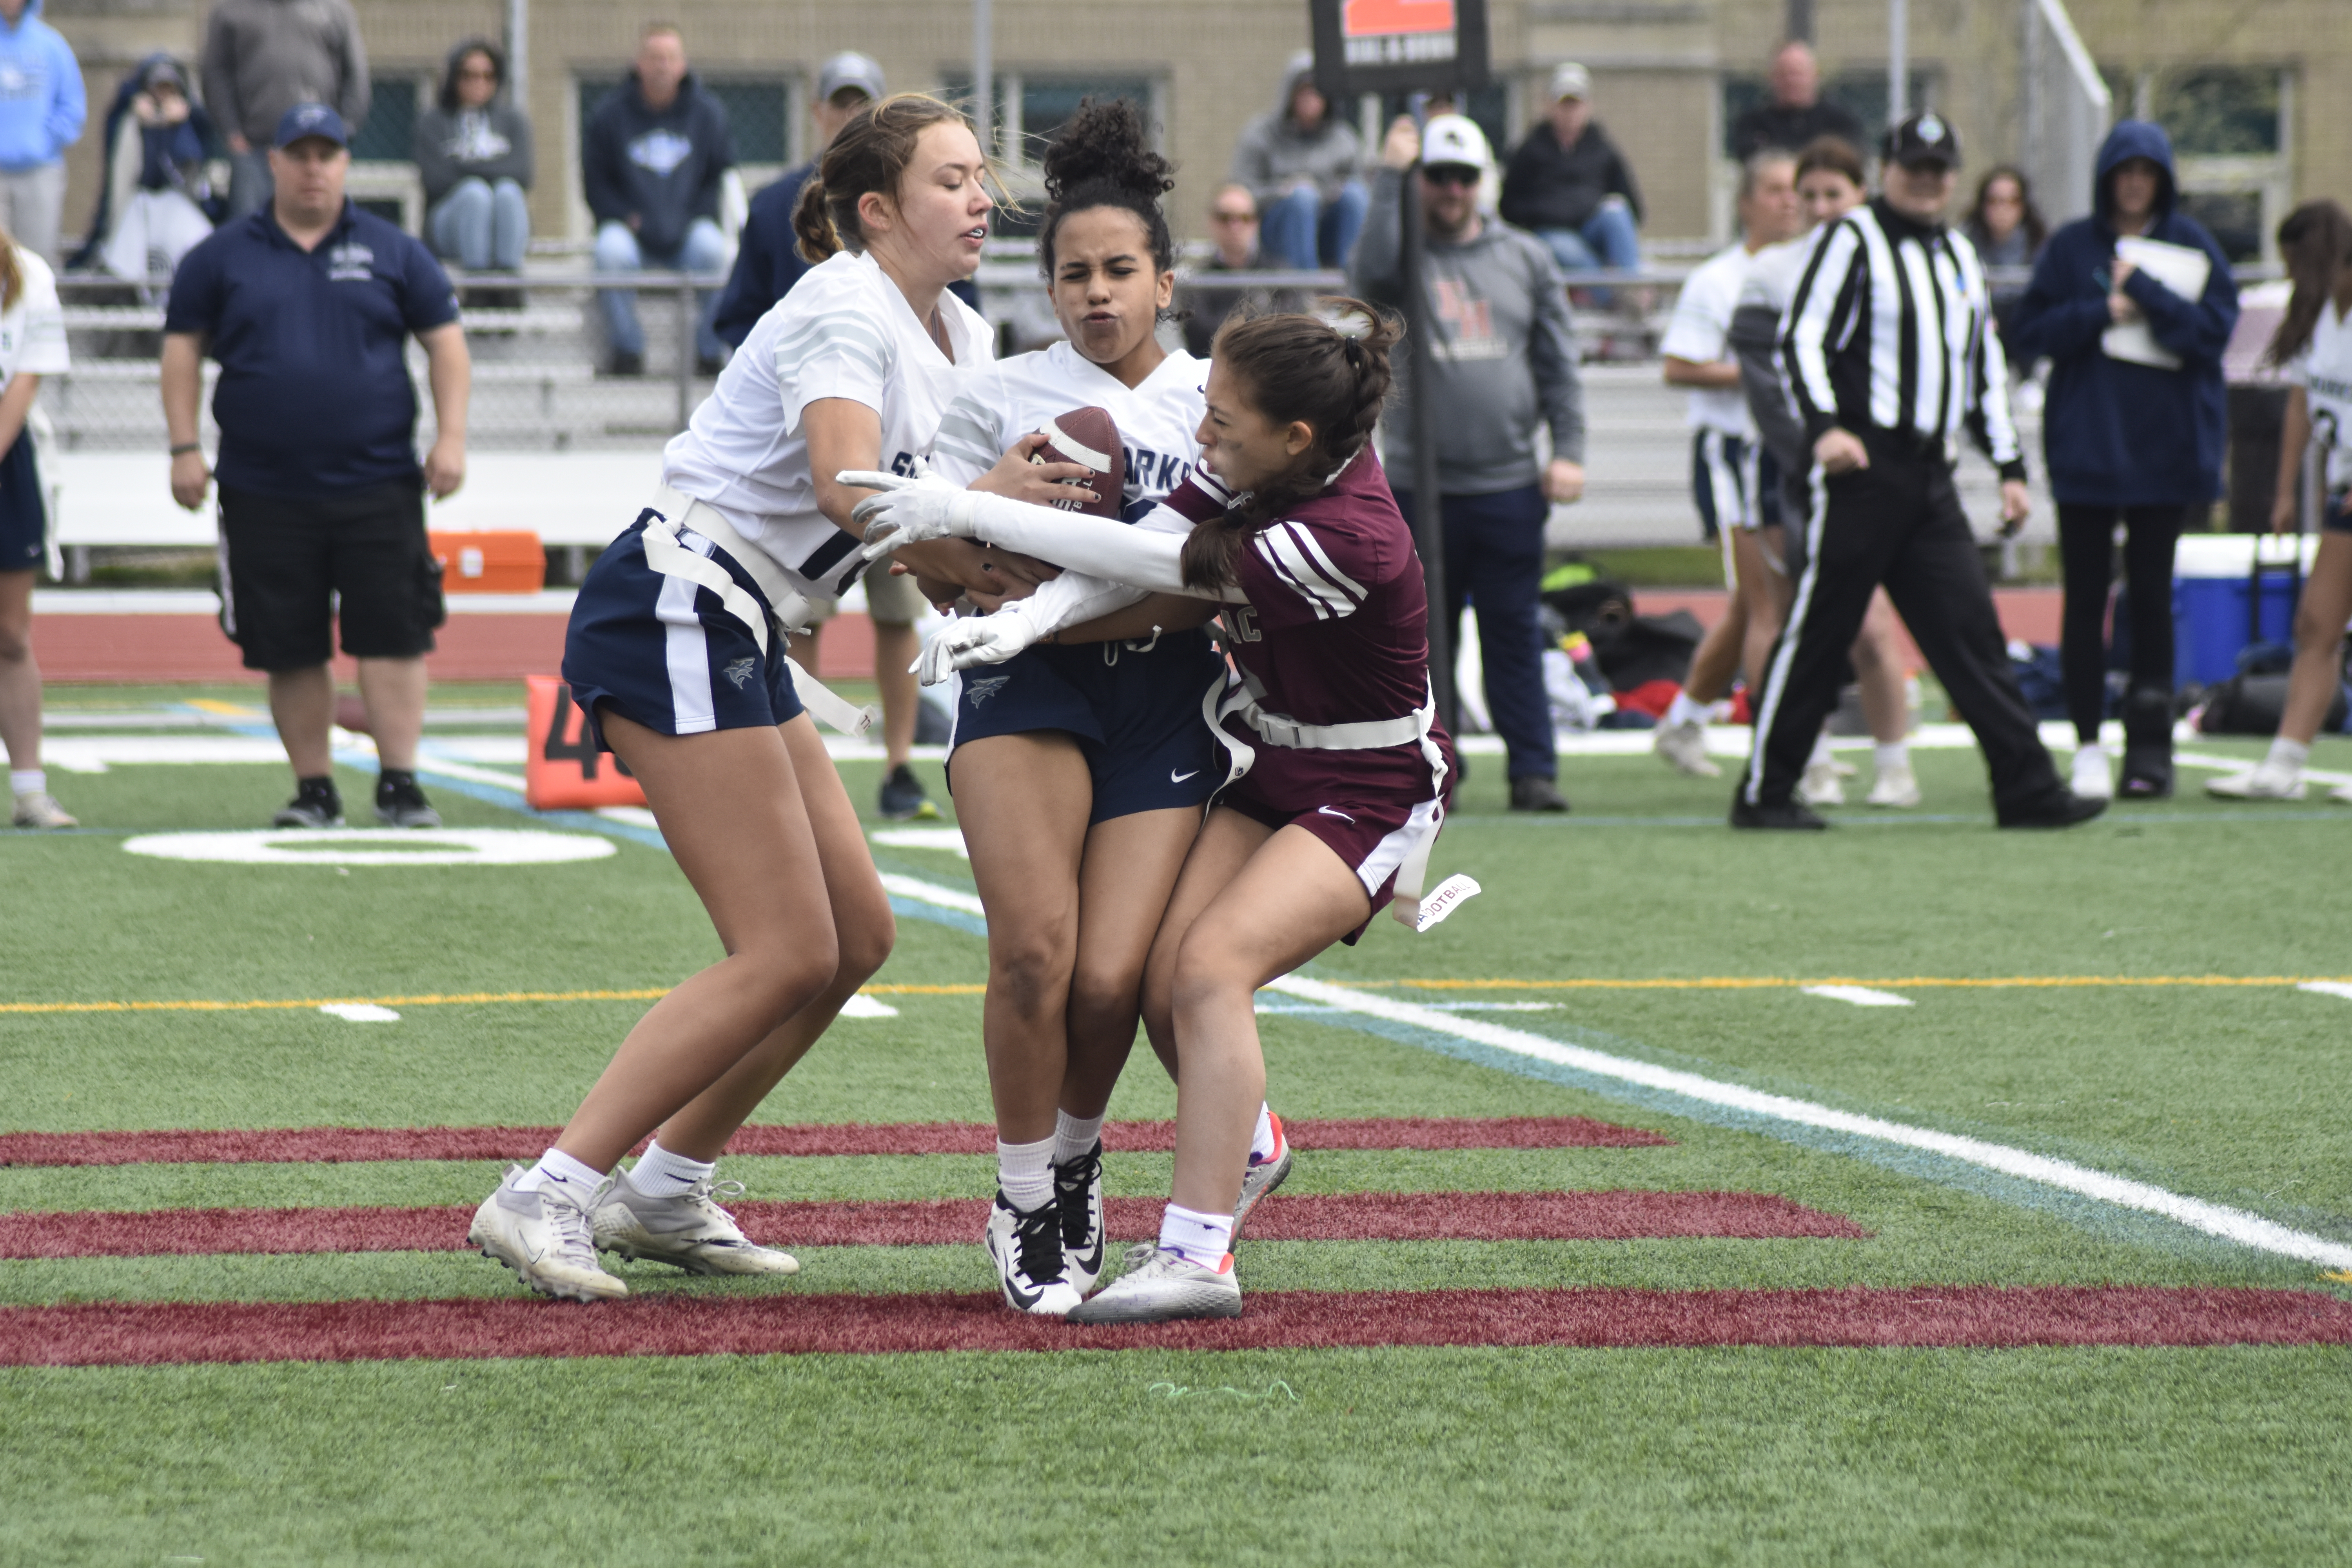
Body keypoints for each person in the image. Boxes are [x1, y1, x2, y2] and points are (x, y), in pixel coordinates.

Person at [465, 93, 1013, 1301]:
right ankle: (547, 1188)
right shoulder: (841, 301)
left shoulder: (965, 335)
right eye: (951, 179)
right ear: (878, 211)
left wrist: (1017, 546)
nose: (980, 198)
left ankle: (661, 1187)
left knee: (853, 936)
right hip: (678, 593)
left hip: (745, 617)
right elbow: (839, 482)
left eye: (981, 176)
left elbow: (947, 505)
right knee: (781, 949)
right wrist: (987, 559)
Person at [851, 303, 1458, 1323]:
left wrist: (964, 511)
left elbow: (1160, 569)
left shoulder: (1343, 532)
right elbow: (1148, 549)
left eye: (1222, 419)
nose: (1199, 431)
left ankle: (1197, 1255)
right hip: (1270, 758)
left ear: (1296, 441)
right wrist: (1027, 619)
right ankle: (1250, 1143)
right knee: (1154, 979)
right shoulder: (1254, 459)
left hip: (1367, 786)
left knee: (1210, 969)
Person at [919, 98, 1299, 1317]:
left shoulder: (1214, 401)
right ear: (1045, 284)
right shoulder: (995, 393)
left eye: (1119, 270)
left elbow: (1212, 591)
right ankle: (1027, 1192)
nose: (1096, 293)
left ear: (1167, 279)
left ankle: (1077, 1160)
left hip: (1160, 695)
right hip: (1025, 682)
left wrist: (1058, 598)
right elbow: (919, 555)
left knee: (1106, 982)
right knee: (1035, 952)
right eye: (1073, 272)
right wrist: (974, 528)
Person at [1737, 111, 2100, 832]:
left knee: (1973, 632)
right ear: (1889, 169)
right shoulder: (1852, 239)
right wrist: (1828, 430)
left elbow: (1982, 371)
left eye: (1939, 170)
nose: (1926, 181)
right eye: (1914, 168)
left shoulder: (1961, 255)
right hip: (1864, 469)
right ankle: (1765, 793)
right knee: (1820, 630)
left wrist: (2009, 465)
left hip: (1931, 476)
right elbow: (1801, 339)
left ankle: (2026, 788)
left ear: (1952, 177)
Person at [161, 105, 468, 833]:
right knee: (289, 644)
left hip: (379, 481)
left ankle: (401, 783)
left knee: (394, 637)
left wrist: (451, 437)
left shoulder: (395, 249)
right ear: (273, 161)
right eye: (298, 154)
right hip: (262, 487)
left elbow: (447, 345)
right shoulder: (221, 255)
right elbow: (180, 353)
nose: (313, 168)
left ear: (345, 162)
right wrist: (183, 448)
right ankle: (314, 789)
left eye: (326, 154)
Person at [711, 50, 948, 822]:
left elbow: (939, 330)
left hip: (895, 455)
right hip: (819, 457)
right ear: (818, 111)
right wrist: (801, 376)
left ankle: (899, 764)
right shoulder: (778, 202)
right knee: (797, 615)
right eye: (842, 103)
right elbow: (739, 314)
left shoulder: (925, 215)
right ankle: (799, 757)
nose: (852, 116)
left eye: (867, 104)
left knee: (895, 615)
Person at [1352, 113, 1583, 812]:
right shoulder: (1405, 253)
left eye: (1463, 177)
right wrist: (1390, 178)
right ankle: (1436, 770)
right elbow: (1365, 272)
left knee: (1514, 632)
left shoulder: (1526, 256)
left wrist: (1569, 450)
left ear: (1483, 183)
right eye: (1437, 177)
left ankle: (1534, 771)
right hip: (1422, 485)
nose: (1451, 191)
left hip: (1510, 480)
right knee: (1422, 643)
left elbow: (1558, 363)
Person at [2008, 122, 2237, 801]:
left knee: (2149, 600)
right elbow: (2030, 330)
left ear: (2163, 179)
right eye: (2124, 170)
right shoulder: (2071, 247)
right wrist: (2100, 310)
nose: (2135, 183)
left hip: (2164, 455)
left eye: (2148, 172)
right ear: (2107, 175)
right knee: (2084, 598)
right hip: (2088, 451)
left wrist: (2149, 292)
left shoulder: (2193, 245)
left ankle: (2150, 750)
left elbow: (2213, 336)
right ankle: (2084, 744)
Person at [1650, 148, 1802, 780]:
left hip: (1786, 454)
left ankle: (1685, 719)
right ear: (1745, 203)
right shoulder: (1718, 279)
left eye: (1796, 189)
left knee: (1756, 604)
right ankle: (1789, 752)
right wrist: (1757, 375)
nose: (1788, 200)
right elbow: (1678, 365)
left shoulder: (1810, 270)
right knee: (1769, 602)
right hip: (1734, 452)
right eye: (1773, 189)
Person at [2203, 201, 2352, 805]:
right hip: (2344, 493)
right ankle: (2285, 764)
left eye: (2295, 261)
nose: (2290, 274)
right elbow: (2300, 405)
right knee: (2316, 622)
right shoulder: (2316, 318)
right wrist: (2286, 490)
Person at [583, 23, 735, 377]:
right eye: (654, 58)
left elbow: (719, 176)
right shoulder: (609, 115)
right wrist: (625, 216)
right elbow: (596, 182)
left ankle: (709, 353)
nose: (662, 65)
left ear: (682, 65)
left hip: (689, 231)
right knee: (609, 252)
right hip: (631, 232)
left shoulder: (708, 114)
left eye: (669, 58)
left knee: (715, 250)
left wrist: (692, 216)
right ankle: (628, 351)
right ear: (639, 63)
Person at [0, 218, 69, 828]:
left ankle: (29, 792)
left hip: (6, 459)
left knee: (12, 635)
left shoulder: (29, 274)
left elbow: (24, 383)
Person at [199, 0, 367, 220]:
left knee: (317, 229)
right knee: (251, 234)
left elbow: (356, 76)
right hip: (254, 150)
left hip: (316, 149)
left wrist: (344, 130)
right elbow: (215, 74)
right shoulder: (230, 10)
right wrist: (232, 132)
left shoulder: (334, 9)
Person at [71, 54, 216, 285]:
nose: (163, 97)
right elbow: (134, 170)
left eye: (169, 90)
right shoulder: (129, 122)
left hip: (180, 206)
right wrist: (139, 118)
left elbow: (195, 165)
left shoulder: (193, 123)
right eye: (157, 89)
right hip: (139, 205)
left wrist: (180, 125)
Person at [1498, 63, 1642, 280]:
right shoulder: (1528, 151)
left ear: (1588, 106)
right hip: (1550, 234)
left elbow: (1633, 207)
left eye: (1576, 104)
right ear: (1549, 105)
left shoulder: (1604, 150)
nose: (1570, 111)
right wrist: (1547, 214)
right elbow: (1509, 208)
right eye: (1564, 104)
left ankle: (1632, 288)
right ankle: (1613, 297)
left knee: (1616, 212)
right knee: (1566, 248)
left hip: (1591, 230)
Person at [1228, 51, 1366, 270]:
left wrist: (1333, 192)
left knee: (1355, 194)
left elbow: (1362, 192)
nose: (1311, 99)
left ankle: (1351, 284)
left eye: (1318, 92)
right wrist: (1282, 192)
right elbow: (1239, 193)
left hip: (1330, 232)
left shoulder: (1344, 140)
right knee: (1302, 198)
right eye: (1304, 91)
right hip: (1278, 232)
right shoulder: (1261, 135)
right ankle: (1304, 291)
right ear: (1289, 95)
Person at [415, 38, 534, 277]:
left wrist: (464, 166)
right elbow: (436, 180)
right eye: (468, 75)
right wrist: (493, 168)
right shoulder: (433, 123)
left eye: (487, 75)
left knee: (508, 192)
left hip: (501, 217)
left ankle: (509, 285)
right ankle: (478, 283)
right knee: (475, 193)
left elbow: (523, 174)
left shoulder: (513, 121)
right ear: (454, 78)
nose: (478, 83)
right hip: (448, 221)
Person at [0, 0, 83, 267]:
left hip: (40, 173)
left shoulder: (51, 45)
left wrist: (44, 142)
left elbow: (73, 107)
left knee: (36, 264)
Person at [1181, 182, 1281, 359]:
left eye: (1244, 218)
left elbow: (1289, 329)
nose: (1235, 226)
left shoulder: (1281, 274)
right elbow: (1199, 337)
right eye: (1225, 218)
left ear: (1255, 223)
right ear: (1211, 223)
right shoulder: (1196, 281)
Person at [1729, 40, 1864, 163]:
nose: (1791, 81)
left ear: (1815, 75)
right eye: (1783, 74)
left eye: (1797, 74)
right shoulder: (1753, 125)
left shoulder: (1841, 123)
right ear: (1770, 77)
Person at [1963, 165, 2048, 355]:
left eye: (2012, 201)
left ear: (2024, 206)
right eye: (1994, 201)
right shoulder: (1964, 245)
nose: (2003, 209)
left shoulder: (2040, 245)